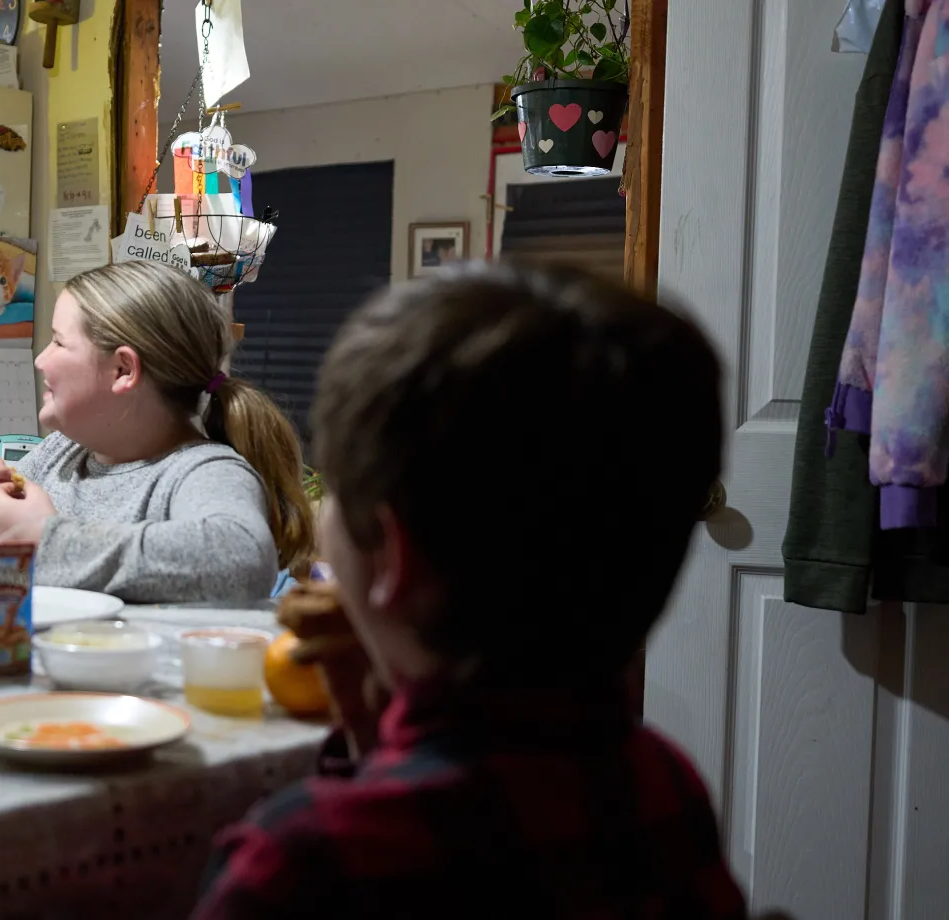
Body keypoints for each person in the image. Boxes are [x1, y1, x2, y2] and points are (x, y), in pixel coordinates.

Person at [192, 263, 746, 918]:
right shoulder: (665, 783)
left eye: (335, 491)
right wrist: (370, 730)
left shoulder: (302, 863)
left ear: (393, 558)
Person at [0, 260, 314, 603]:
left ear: (122, 370)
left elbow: (241, 560)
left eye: (59, 343)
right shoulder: (58, 455)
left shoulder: (204, 471)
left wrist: (46, 540)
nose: (40, 360)